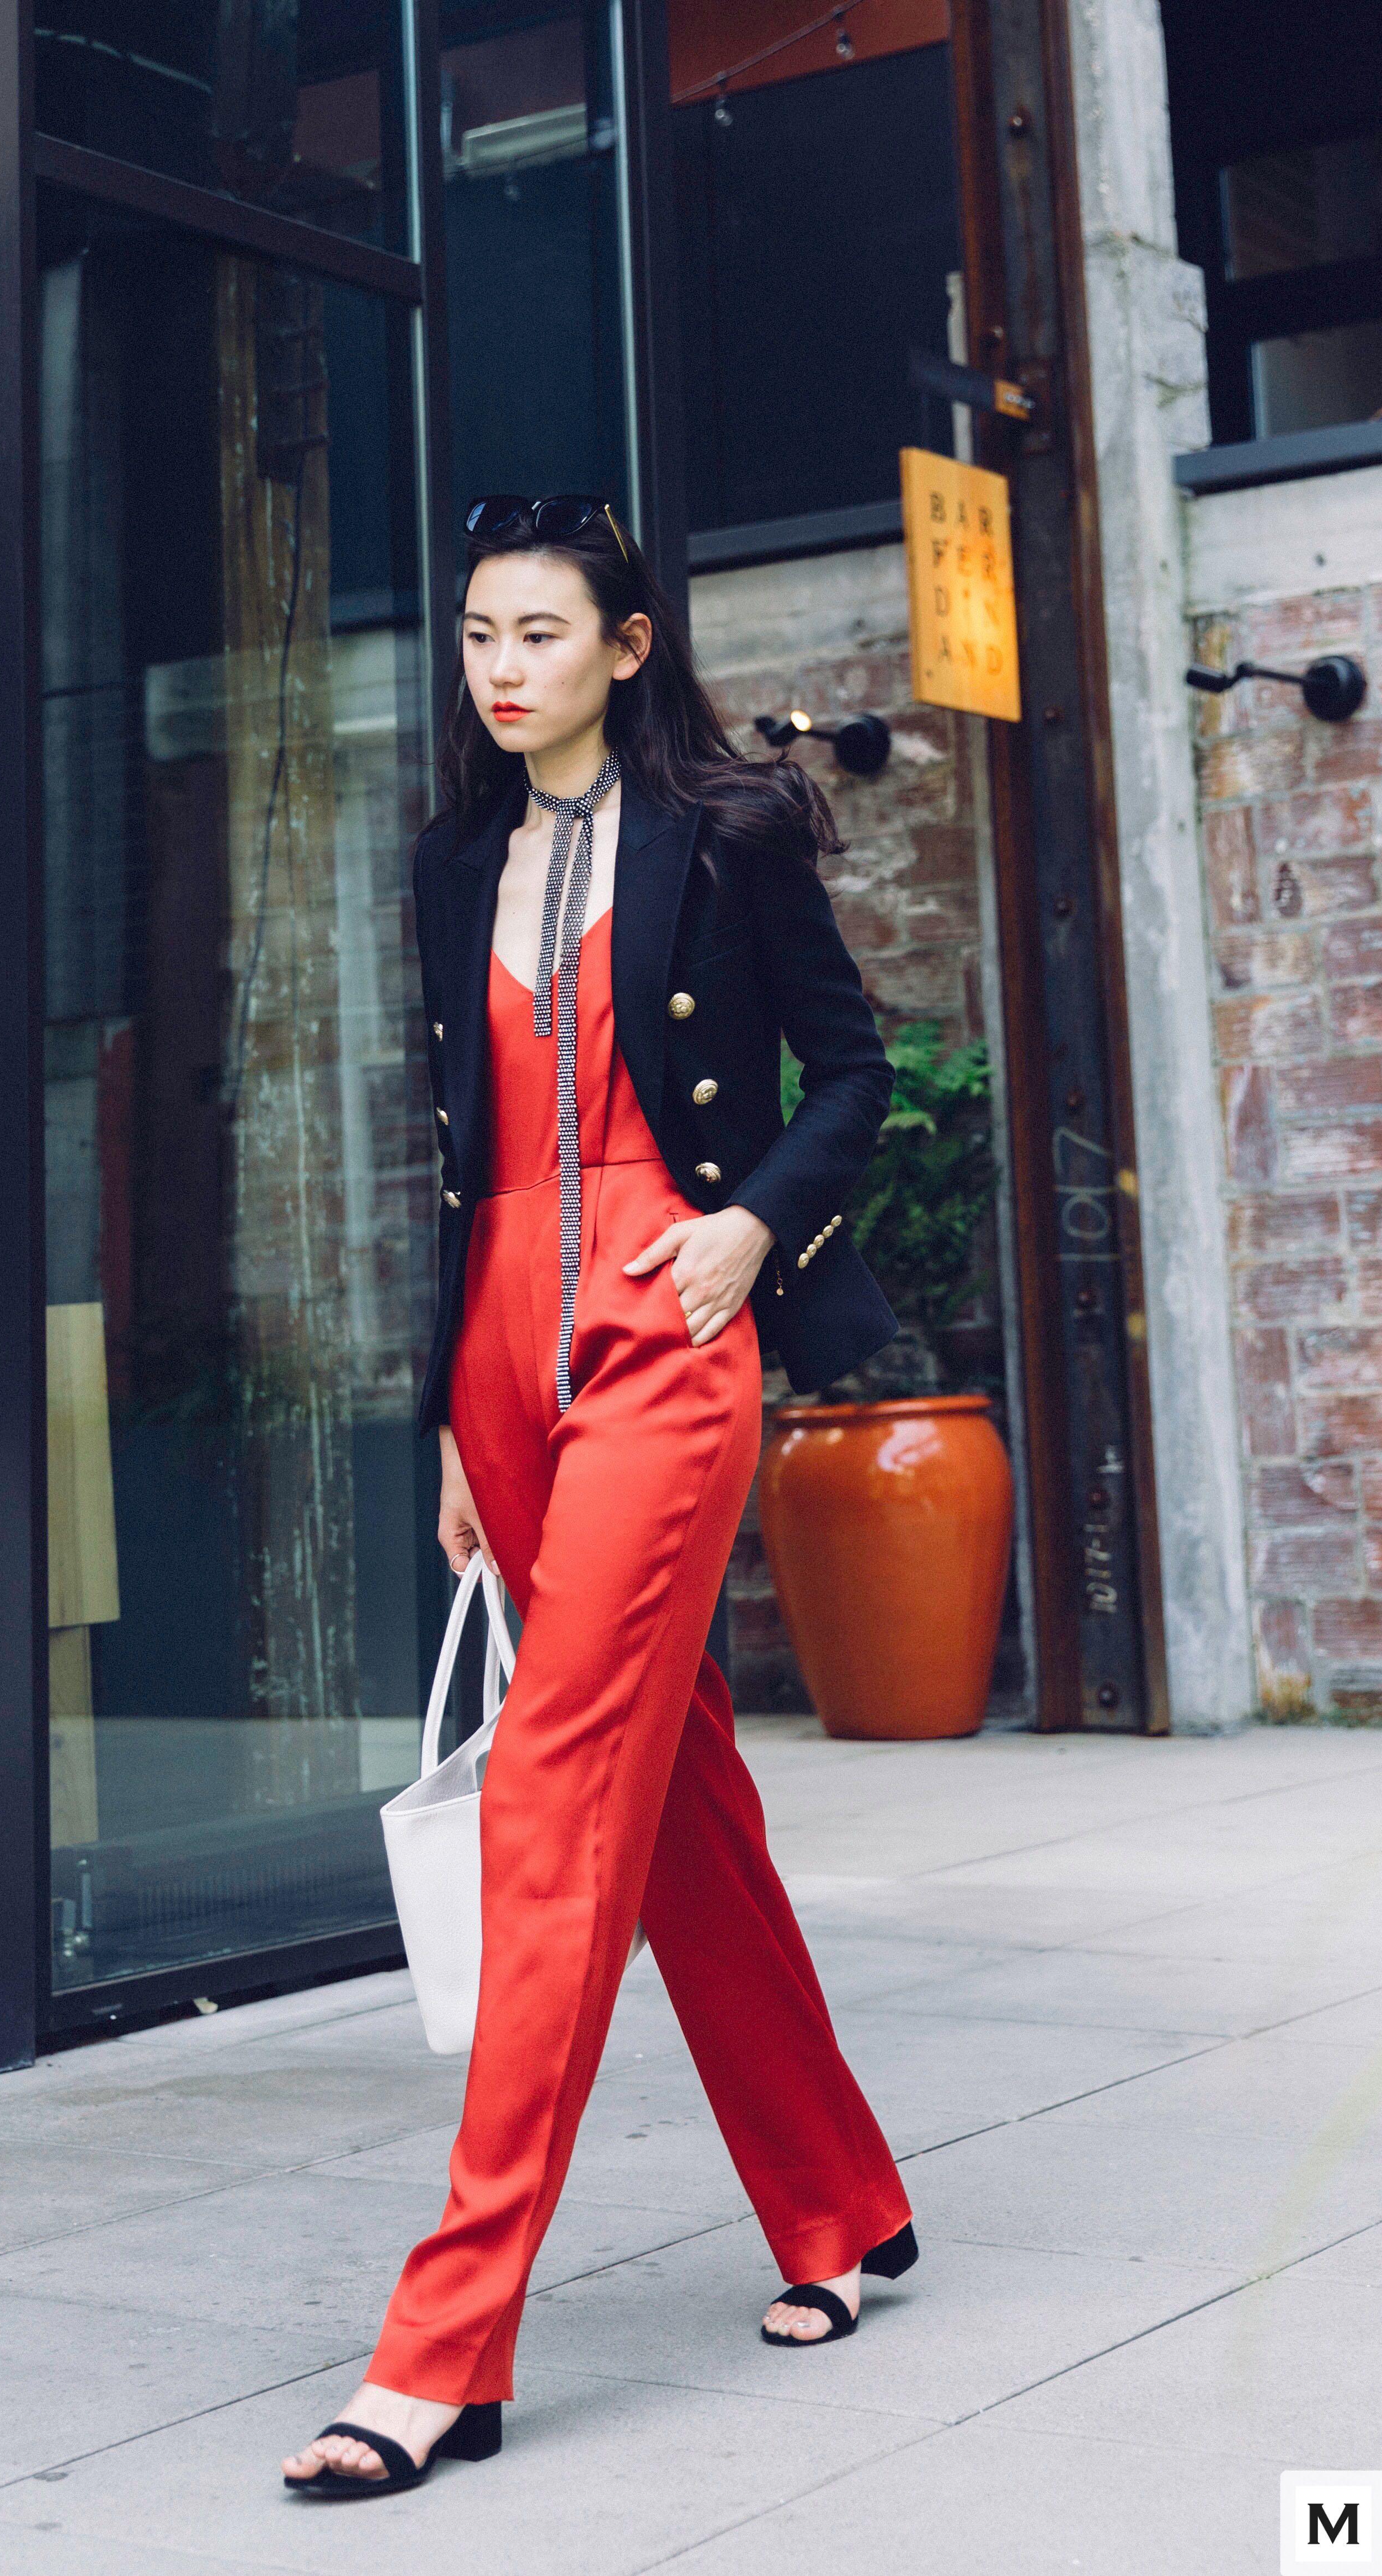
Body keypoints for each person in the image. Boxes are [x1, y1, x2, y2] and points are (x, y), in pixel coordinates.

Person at [281, 493, 918, 2499]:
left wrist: (748, 1228)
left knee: (554, 1802)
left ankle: (442, 2344)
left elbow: (851, 1074)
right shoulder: (449, 854)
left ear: (626, 646)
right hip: (501, 1352)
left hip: (667, 1326)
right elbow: (460, 1157)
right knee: (680, 1809)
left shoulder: (726, 830)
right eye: (479, 633)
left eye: (539, 632)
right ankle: (837, 2198)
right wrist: (451, 1427)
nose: (499, 667)